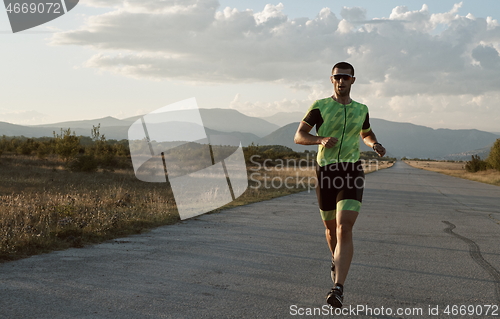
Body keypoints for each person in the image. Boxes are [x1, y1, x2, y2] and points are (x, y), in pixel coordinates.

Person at [294, 62, 386, 308]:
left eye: (345, 77)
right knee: (331, 230)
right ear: (331, 79)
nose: (341, 81)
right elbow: (299, 135)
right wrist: (320, 139)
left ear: (353, 80)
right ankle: (336, 259)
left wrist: (374, 144)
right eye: (337, 77)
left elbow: (366, 133)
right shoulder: (320, 106)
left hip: (351, 170)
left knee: (345, 228)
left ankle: (338, 288)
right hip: (325, 173)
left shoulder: (361, 109)